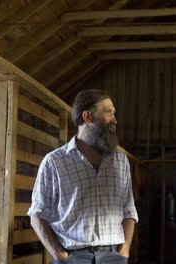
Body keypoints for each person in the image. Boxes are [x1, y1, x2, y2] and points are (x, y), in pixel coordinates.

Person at [28, 89, 138, 264]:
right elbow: (37, 214)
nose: (114, 120)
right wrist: (60, 255)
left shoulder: (120, 159)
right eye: (109, 112)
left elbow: (128, 208)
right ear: (87, 116)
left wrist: (124, 252)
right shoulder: (54, 162)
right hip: (72, 257)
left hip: (113, 256)